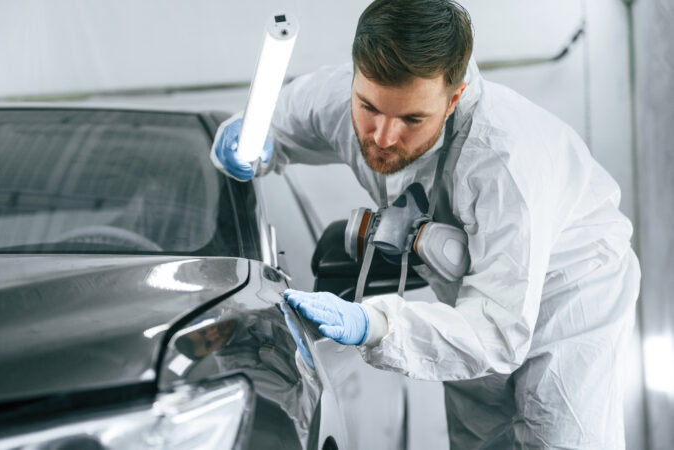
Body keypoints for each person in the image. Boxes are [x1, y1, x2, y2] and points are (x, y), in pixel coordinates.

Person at [210, 1, 641, 448]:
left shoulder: (502, 163)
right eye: (369, 107)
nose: (382, 136)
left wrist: (373, 323)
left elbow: (497, 329)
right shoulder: (340, 93)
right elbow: (271, 127)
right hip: (469, 293)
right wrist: (244, 140)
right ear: (356, 76)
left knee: (560, 437)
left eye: (412, 119)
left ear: (453, 99)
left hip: (570, 288)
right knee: (479, 438)